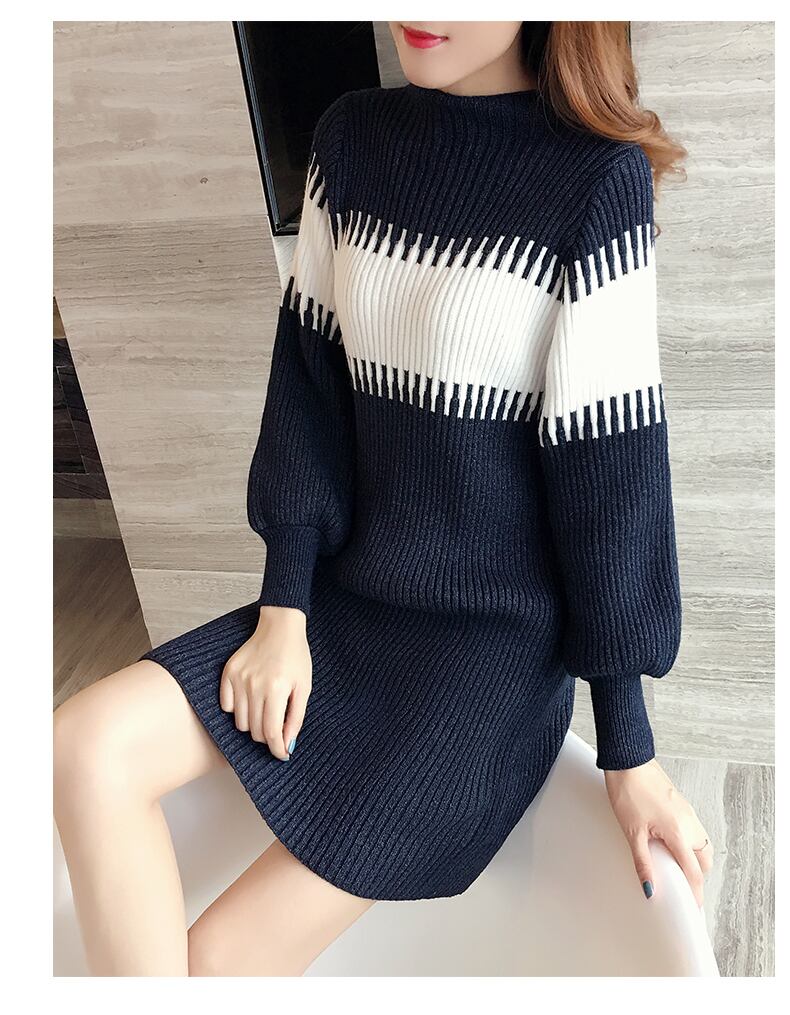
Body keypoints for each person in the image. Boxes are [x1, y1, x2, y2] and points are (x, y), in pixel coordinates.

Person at [54, 21, 714, 977]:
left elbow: (610, 483)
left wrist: (628, 748)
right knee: (82, 747)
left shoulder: (593, 184)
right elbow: (309, 397)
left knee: (223, 961)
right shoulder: (352, 140)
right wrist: (284, 607)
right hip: (343, 610)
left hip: (483, 670)